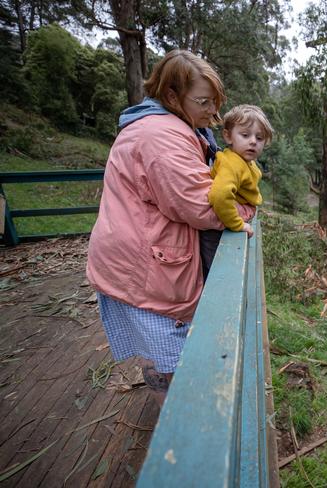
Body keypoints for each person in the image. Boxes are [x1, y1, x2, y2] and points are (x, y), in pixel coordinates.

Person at [86, 50, 255, 397]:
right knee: (172, 361)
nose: (214, 112)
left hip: (131, 256)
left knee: (159, 350)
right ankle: (179, 431)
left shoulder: (165, 126)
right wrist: (248, 209)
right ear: (173, 96)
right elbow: (202, 206)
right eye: (204, 102)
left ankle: (166, 399)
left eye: (215, 102)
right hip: (145, 267)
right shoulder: (161, 138)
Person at [199, 105, 273, 278]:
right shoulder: (232, 164)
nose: (253, 141)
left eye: (259, 137)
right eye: (245, 135)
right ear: (228, 136)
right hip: (216, 235)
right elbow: (219, 196)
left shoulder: (246, 162)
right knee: (219, 275)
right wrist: (238, 224)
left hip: (225, 226)